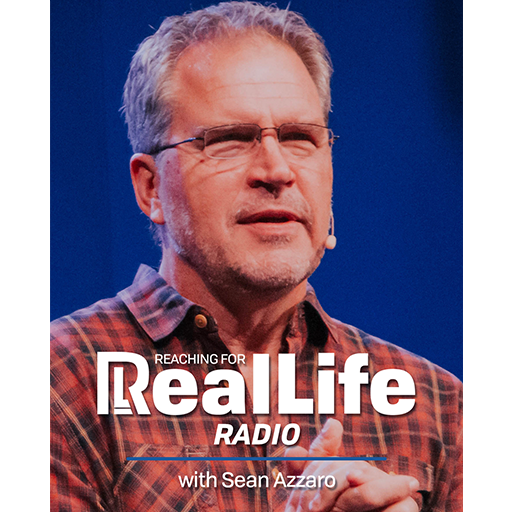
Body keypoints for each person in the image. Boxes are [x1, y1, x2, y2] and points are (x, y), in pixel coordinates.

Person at [50, 2, 462, 511]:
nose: (276, 170)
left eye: (300, 138)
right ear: (151, 187)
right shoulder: (60, 384)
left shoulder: (439, 409)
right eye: (229, 140)